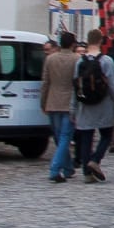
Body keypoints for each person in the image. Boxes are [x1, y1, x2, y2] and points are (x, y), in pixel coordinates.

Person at [69, 29, 114, 184]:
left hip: (85, 105)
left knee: (86, 138)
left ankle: (86, 173)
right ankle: (95, 160)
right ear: (101, 41)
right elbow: (113, 86)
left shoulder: (80, 61)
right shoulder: (107, 61)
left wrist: (73, 108)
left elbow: (76, 86)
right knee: (106, 135)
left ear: (88, 40)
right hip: (103, 104)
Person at [40, 31, 79, 182]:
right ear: (72, 44)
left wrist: (43, 102)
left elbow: (45, 83)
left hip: (52, 101)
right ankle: (56, 169)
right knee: (64, 137)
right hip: (69, 103)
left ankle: (67, 168)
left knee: (59, 137)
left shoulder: (50, 59)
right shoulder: (77, 59)